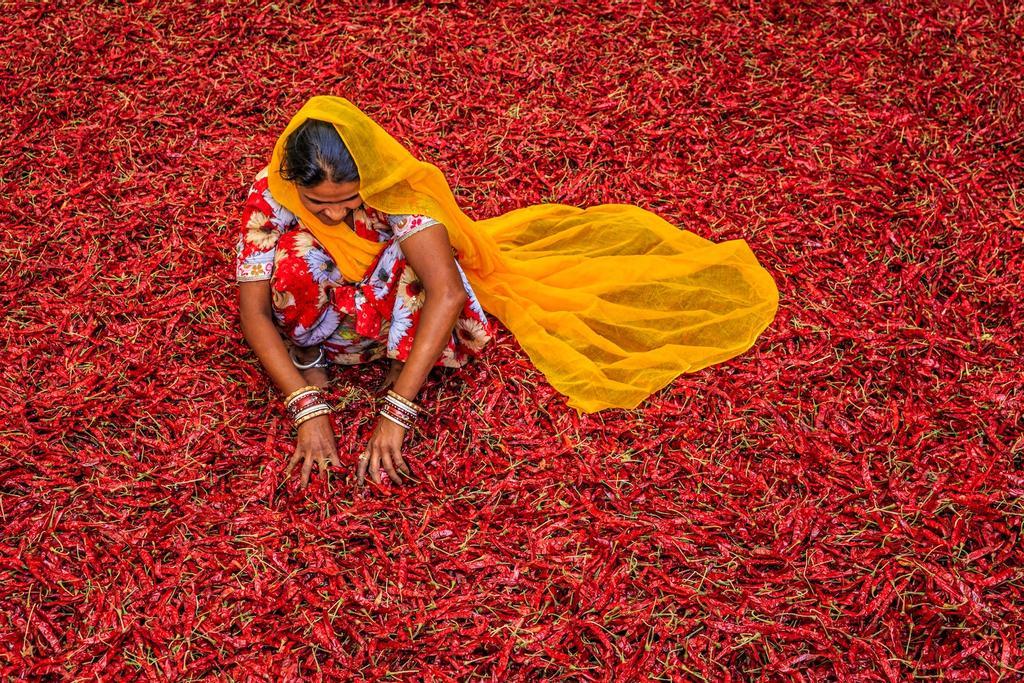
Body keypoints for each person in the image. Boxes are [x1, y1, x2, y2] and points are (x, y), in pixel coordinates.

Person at [237, 96, 780, 490]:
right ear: (292, 180)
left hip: (389, 303)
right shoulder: (271, 190)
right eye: (317, 202)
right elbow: (256, 310)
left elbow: (446, 294)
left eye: (349, 200)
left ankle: (386, 360)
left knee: (415, 266)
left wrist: (397, 408)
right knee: (295, 256)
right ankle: (316, 360)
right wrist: (305, 406)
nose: (334, 213)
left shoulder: (395, 189)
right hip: (330, 315)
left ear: (370, 180)